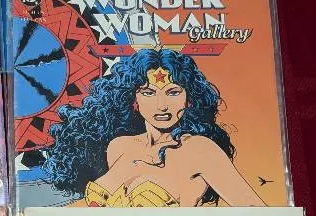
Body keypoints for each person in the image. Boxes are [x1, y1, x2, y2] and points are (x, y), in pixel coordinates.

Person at [42, 48, 265, 207]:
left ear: (189, 99)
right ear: (133, 100)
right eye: (148, 93)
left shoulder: (200, 150)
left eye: (173, 92)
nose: (161, 105)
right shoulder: (119, 147)